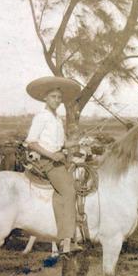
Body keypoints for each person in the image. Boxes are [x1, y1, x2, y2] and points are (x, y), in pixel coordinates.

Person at [25, 76, 82, 254]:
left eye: (59, 97)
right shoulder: (41, 117)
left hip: (57, 160)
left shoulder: (57, 119)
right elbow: (31, 142)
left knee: (62, 194)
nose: (57, 100)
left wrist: (77, 142)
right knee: (70, 191)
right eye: (53, 97)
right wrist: (52, 155)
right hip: (46, 162)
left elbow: (61, 144)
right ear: (45, 98)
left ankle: (60, 234)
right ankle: (67, 241)